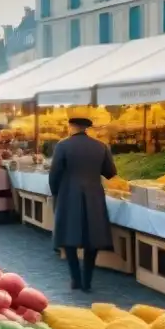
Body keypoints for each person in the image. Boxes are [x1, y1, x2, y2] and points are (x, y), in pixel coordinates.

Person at [49, 117, 117, 292]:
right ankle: (87, 280)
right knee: (92, 237)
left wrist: (56, 191)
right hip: (94, 194)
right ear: (87, 128)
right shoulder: (101, 146)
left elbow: (54, 173)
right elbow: (110, 172)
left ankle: (75, 279)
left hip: (69, 193)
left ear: (71, 127)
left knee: (68, 237)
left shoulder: (62, 146)